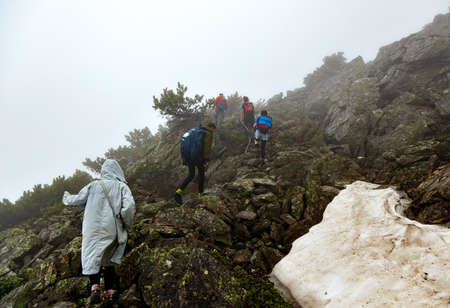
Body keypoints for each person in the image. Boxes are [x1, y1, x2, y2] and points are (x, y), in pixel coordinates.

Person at [62, 159, 135, 304]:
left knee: (91, 255)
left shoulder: (93, 185)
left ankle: (94, 287)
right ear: (118, 171)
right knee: (109, 257)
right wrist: (127, 224)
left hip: (91, 227)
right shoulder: (122, 187)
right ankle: (108, 290)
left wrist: (66, 197)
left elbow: (78, 199)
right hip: (111, 226)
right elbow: (129, 206)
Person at [174, 122, 216, 204]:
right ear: (211, 127)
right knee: (201, 174)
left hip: (188, 156)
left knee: (191, 175)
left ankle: (178, 193)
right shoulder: (208, 133)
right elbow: (207, 148)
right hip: (197, 157)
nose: (213, 131)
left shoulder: (195, 130)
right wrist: (206, 160)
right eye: (214, 129)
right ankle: (200, 195)